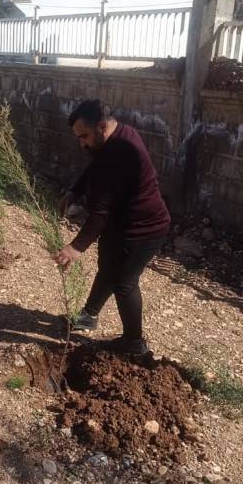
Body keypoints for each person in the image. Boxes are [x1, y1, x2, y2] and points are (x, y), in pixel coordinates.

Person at [54, 99, 171, 356]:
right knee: (107, 265)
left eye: (84, 136)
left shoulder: (122, 150)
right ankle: (89, 316)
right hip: (122, 222)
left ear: (102, 126)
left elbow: (101, 213)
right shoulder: (113, 139)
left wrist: (75, 247)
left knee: (124, 282)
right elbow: (95, 169)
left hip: (143, 229)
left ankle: (134, 343)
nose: (81, 143)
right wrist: (75, 191)